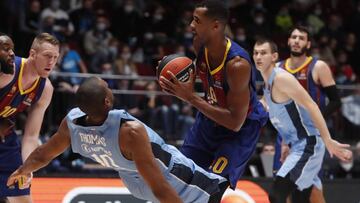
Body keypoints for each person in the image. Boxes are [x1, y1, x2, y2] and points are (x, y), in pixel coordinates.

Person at [7, 77, 228, 203]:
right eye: (107, 88)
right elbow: (160, 185)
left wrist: (23, 170)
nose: (110, 88)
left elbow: (43, 154)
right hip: (169, 177)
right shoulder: (129, 132)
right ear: (107, 102)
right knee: (217, 191)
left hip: (134, 183)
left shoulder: (72, 124)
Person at [159, 0, 268, 190]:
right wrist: (175, 78)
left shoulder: (237, 65)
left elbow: (235, 123)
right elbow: (203, 73)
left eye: (197, 21)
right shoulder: (198, 44)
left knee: (210, 188)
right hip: (209, 120)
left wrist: (191, 97)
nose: (191, 25)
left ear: (215, 26)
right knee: (178, 178)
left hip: (239, 129)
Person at [253, 38, 352, 203]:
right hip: (297, 144)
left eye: (263, 53)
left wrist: (328, 140)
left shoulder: (281, 78)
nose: (258, 57)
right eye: (255, 53)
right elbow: (286, 117)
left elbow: (311, 105)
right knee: (302, 198)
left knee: (277, 195)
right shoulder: (267, 80)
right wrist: (285, 142)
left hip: (309, 144)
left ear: (274, 56)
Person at [274, 26, 342, 203]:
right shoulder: (278, 68)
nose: (296, 40)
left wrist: (312, 119)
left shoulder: (318, 67)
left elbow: (336, 101)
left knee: (308, 189)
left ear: (308, 44)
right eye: (294, 37)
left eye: (301, 38)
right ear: (288, 41)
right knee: (284, 187)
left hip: (310, 136)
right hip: (285, 135)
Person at [0, 33, 59, 203]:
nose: (51, 62)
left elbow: (31, 135)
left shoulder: (45, 89)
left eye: (55, 57)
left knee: (23, 197)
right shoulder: (7, 71)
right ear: (32, 54)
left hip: (6, 140)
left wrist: (27, 166)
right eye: (47, 56)